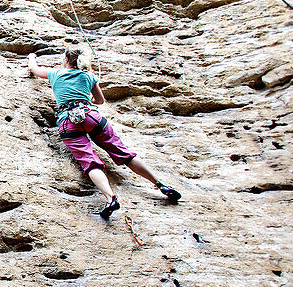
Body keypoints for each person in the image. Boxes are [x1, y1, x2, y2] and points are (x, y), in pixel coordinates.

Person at [28, 47, 181, 219]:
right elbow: (100, 100)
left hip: (68, 121)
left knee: (89, 161)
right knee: (124, 152)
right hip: (91, 116)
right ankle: (159, 184)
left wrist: (31, 57)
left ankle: (110, 198)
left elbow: (34, 69)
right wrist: (89, 97)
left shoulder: (55, 73)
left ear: (65, 58)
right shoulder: (89, 76)